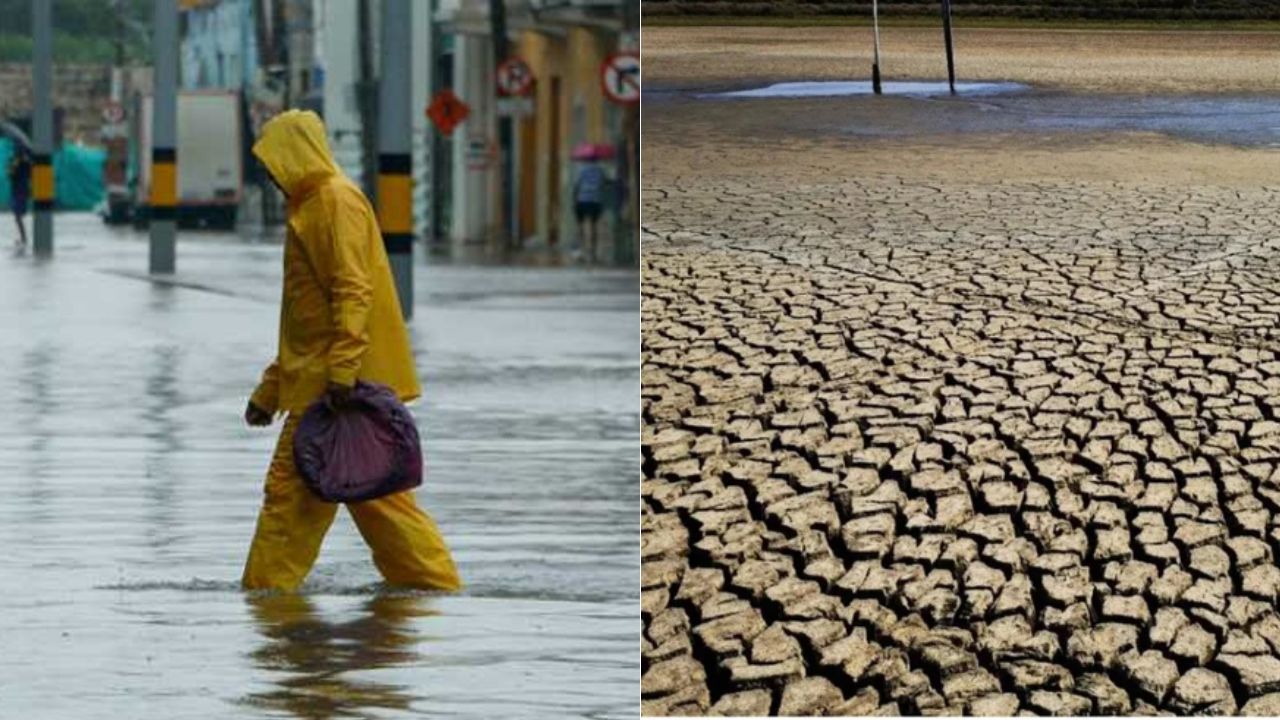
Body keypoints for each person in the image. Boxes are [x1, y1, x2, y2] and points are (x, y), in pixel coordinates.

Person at [241, 109, 461, 593]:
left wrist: (341, 373)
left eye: (273, 164)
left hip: (335, 390)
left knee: (291, 502)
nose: (271, 177)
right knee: (379, 501)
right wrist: (270, 390)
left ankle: (265, 604)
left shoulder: (333, 203)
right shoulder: (312, 206)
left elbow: (351, 291)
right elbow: (306, 322)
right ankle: (435, 594)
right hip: (326, 385)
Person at [573, 157, 607, 263]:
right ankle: (593, 252)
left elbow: (577, 185)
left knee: (580, 226)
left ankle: (581, 250)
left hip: (582, 200)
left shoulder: (581, 170)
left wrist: (575, 199)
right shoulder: (600, 170)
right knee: (594, 227)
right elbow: (604, 184)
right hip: (595, 201)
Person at [7, 146, 31, 247]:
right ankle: (22, 237)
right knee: (17, 216)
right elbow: (10, 174)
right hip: (17, 190)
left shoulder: (25, 163)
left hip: (21, 190)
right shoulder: (14, 161)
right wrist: (13, 166)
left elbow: (30, 174)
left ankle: (23, 237)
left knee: (18, 215)